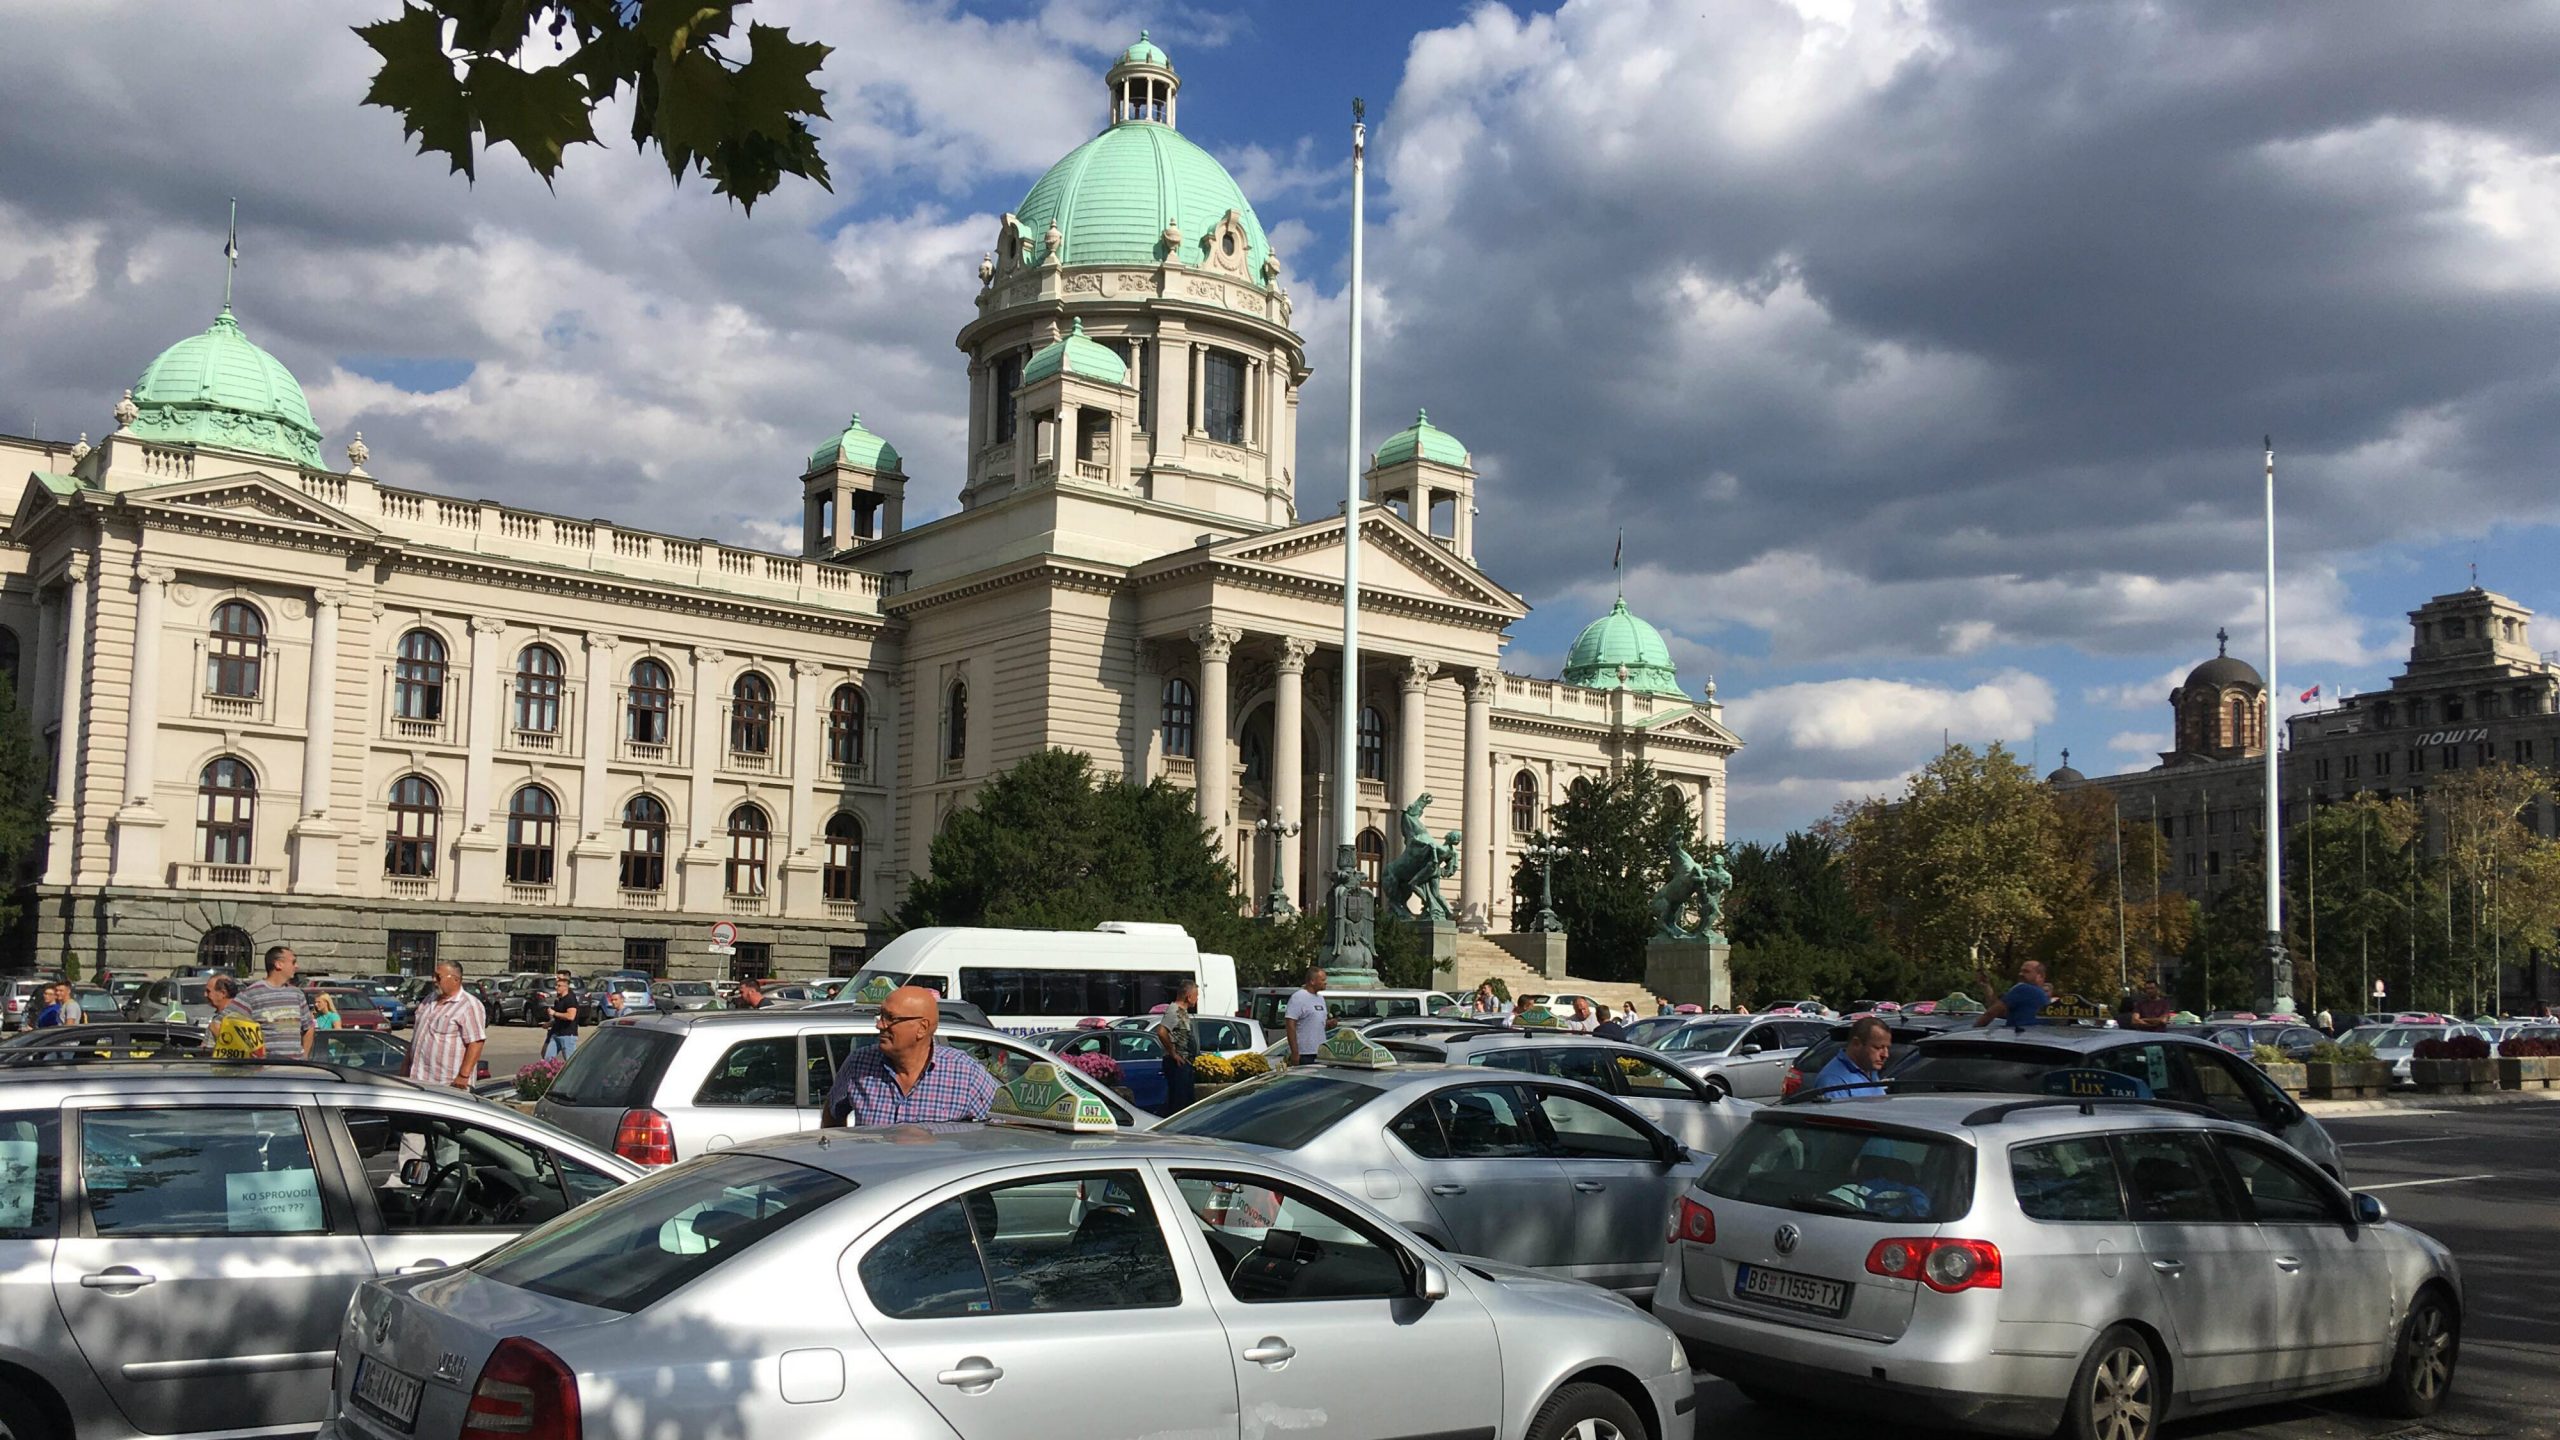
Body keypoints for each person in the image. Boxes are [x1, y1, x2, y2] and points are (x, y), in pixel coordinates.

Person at [819, 984, 998, 1126]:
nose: (880, 1025)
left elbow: (1006, 1128)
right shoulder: (859, 1064)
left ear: (922, 1028)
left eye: (890, 1018)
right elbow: (833, 1112)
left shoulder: (965, 1073)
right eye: (880, 1016)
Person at [407, 961, 487, 1091]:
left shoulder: (469, 1005)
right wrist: (405, 1068)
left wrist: (463, 1075)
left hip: (448, 1085)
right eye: (434, 975)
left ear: (456, 979)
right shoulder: (428, 1000)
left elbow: (476, 1042)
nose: (434, 980)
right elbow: (417, 1037)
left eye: (439, 977)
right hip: (418, 1081)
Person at [236, 945, 315, 1060]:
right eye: (293, 962)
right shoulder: (251, 994)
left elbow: (308, 1028)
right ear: (278, 964)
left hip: (295, 1070)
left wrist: (304, 1057)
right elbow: (219, 1024)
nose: (297, 966)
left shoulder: (297, 994)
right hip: (267, 1071)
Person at [1813, 1016, 1892, 1099]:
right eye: (1878, 1047)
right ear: (1856, 1043)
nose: (1885, 1055)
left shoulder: (1869, 1069)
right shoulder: (1833, 1081)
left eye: (1888, 1048)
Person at [1155, 981, 1200, 1112]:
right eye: (1196, 995)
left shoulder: (1183, 1012)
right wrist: (1173, 1054)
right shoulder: (1174, 1010)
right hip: (1177, 1064)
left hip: (1186, 1063)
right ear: (1188, 996)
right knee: (1179, 1102)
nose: (1197, 999)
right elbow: (1162, 1032)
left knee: (1187, 1101)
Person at [1976, 960, 2053, 1030]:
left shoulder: (2023, 988)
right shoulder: (2042, 994)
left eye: (2026, 971)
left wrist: (1975, 1031)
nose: (2021, 974)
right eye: (2021, 971)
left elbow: (1990, 1013)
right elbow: (2001, 1013)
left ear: (2040, 976)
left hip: (2018, 1039)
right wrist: (1987, 987)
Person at [206, 975, 267, 1059]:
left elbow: (206, 1053)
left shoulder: (222, 1021)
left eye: (208, 991)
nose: (205, 995)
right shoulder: (246, 1016)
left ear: (223, 993)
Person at [1284, 968, 1329, 1064]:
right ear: (1312, 981)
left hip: (1320, 1052)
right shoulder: (1298, 997)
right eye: (1322, 980)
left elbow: (1318, 1024)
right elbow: (1290, 1025)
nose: (1326, 983)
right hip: (1304, 1053)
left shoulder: (1320, 998)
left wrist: (1329, 1024)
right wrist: (1295, 1052)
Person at [542, 975, 581, 1061]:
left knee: (570, 1061)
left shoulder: (570, 999)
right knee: (548, 1059)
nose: (556, 987)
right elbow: (558, 1018)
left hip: (568, 1034)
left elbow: (571, 1016)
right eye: (556, 985)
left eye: (559, 986)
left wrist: (554, 1013)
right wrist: (549, 1024)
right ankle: (548, 1073)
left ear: (566, 987)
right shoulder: (559, 1000)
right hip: (556, 1033)